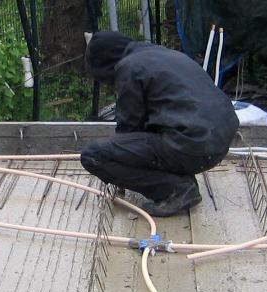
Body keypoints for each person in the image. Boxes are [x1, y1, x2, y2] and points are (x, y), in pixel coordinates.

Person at [80, 31, 239, 217]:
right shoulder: (162, 55)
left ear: (104, 64)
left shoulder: (129, 67)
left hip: (192, 144)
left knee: (93, 155)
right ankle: (178, 180)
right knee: (147, 141)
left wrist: (118, 171)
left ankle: (175, 190)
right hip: (218, 143)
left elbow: (129, 128)